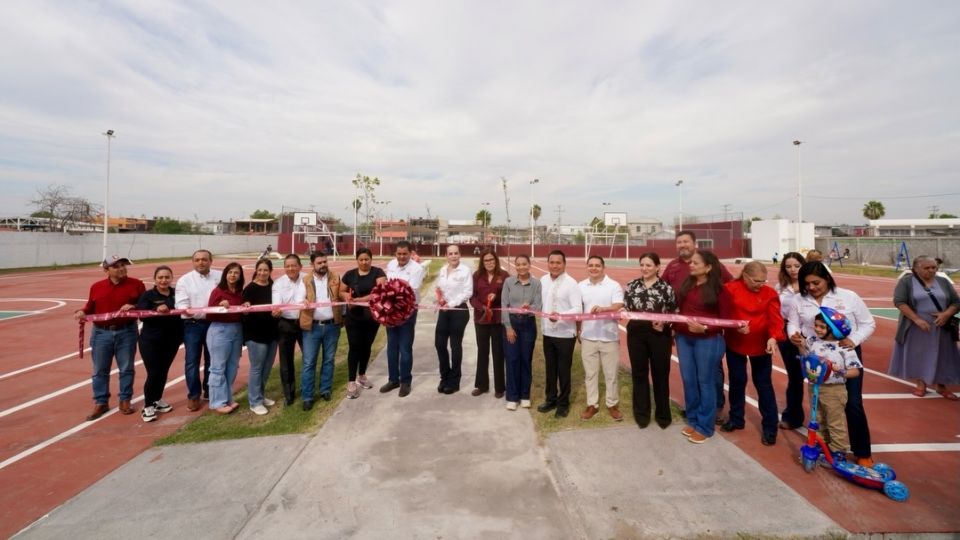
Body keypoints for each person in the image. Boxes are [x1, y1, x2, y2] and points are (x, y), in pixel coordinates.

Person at [787, 261, 876, 467]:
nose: (811, 288)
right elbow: (792, 323)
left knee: (852, 403)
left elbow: (868, 323)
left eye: (816, 282)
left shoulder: (848, 296)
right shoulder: (798, 300)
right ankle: (824, 444)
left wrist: (854, 340)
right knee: (820, 404)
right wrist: (794, 335)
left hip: (845, 353)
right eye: (806, 284)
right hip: (816, 357)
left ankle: (862, 452)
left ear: (827, 278)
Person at [661, 231, 734, 417]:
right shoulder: (673, 266)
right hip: (683, 333)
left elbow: (731, 285)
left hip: (707, 337)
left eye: (686, 241)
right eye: (679, 242)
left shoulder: (712, 267)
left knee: (709, 376)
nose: (682, 245)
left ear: (695, 244)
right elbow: (663, 291)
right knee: (690, 376)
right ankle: (694, 411)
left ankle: (714, 408)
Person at [74, 255, 146, 421]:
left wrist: (134, 306)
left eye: (123, 265)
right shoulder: (96, 287)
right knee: (100, 370)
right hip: (101, 333)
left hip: (127, 331)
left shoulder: (137, 284)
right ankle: (101, 402)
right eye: (117, 266)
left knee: (126, 368)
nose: (122, 269)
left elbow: (145, 305)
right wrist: (82, 312)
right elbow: (90, 307)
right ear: (106, 270)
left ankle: (125, 399)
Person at [721, 261, 784, 446]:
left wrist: (774, 337)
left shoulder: (770, 293)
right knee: (737, 381)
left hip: (761, 346)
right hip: (736, 343)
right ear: (745, 276)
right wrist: (735, 325)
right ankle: (736, 418)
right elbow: (723, 314)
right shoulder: (730, 289)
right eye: (756, 281)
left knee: (764, 385)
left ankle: (770, 427)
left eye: (763, 281)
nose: (760, 284)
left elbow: (776, 319)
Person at [675, 250, 732, 444]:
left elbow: (726, 320)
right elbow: (680, 311)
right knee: (689, 380)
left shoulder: (719, 289)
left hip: (708, 340)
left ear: (708, 267)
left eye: (696, 263)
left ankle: (705, 426)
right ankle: (693, 418)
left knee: (705, 382)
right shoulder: (687, 284)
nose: (691, 265)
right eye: (691, 262)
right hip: (684, 338)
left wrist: (705, 327)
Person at [888, 256, 960, 400]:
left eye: (934, 267)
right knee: (918, 354)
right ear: (916, 268)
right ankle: (921, 384)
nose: (931, 270)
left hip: (941, 328)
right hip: (916, 327)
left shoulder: (943, 281)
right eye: (927, 268)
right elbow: (899, 301)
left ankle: (942, 386)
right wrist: (917, 319)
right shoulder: (906, 282)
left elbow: (956, 302)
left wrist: (946, 314)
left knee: (943, 355)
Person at [622, 252, 677, 429]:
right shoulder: (632, 286)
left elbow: (674, 312)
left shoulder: (666, 288)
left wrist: (664, 322)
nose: (645, 268)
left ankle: (663, 415)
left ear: (657, 267)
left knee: (660, 374)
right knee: (639, 373)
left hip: (659, 335)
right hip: (636, 334)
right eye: (642, 265)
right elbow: (626, 308)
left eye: (649, 265)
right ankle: (642, 415)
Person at [806, 310, 863, 462]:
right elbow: (806, 356)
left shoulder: (844, 347)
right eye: (816, 326)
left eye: (822, 327)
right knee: (817, 418)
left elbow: (855, 372)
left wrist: (841, 371)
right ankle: (821, 444)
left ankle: (838, 450)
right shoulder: (814, 341)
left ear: (834, 330)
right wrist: (800, 345)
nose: (817, 329)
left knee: (834, 421)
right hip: (815, 387)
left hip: (834, 390)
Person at [577, 255, 625, 421]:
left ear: (603, 267)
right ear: (587, 267)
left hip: (609, 337)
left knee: (611, 374)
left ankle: (612, 404)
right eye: (591, 265)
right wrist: (578, 331)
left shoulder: (613, 285)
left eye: (597, 265)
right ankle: (592, 404)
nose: (594, 268)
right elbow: (578, 310)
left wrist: (603, 309)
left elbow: (618, 305)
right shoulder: (581, 286)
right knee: (590, 374)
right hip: (588, 337)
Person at [537, 250, 583, 418]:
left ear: (564, 264)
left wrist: (561, 316)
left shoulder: (571, 284)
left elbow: (578, 309)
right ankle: (551, 399)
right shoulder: (543, 280)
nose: (555, 265)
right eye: (552, 262)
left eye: (558, 262)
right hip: (548, 332)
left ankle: (563, 403)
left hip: (565, 334)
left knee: (563, 370)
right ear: (547, 263)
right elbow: (540, 303)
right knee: (550, 368)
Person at [175, 249, 221, 411]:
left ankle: (209, 390)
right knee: (192, 361)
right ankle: (194, 395)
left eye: (204, 259)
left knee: (212, 360)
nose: (200, 262)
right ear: (193, 261)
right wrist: (186, 309)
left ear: (211, 260)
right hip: (192, 325)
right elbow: (181, 303)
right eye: (197, 260)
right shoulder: (184, 280)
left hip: (214, 324)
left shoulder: (220, 276)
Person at [136, 265, 183, 422]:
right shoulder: (148, 295)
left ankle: (157, 399)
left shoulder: (177, 293)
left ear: (171, 278)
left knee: (163, 372)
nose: (164, 280)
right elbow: (142, 315)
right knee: (154, 372)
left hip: (172, 340)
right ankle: (147, 406)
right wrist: (157, 308)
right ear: (155, 279)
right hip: (151, 341)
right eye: (160, 277)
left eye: (167, 277)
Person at [340, 248, 387, 399]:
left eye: (367, 259)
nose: (364, 262)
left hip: (372, 318)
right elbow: (341, 291)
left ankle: (362, 376)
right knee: (354, 346)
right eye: (361, 259)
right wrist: (347, 296)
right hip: (353, 318)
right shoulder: (350, 274)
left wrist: (358, 300)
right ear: (357, 260)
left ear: (371, 259)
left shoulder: (378, 273)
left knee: (366, 346)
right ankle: (351, 381)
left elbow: (379, 292)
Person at [299, 251, 342, 410]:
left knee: (329, 360)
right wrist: (301, 300)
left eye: (325, 262)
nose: (323, 265)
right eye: (319, 263)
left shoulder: (336, 278)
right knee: (309, 362)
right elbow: (298, 298)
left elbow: (343, 294)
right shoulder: (304, 280)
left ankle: (325, 389)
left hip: (332, 325)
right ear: (312, 264)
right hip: (312, 327)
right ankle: (308, 396)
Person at [381, 241, 425, 397]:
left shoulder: (417, 269)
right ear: (395, 254)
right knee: (392, 347)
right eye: (399, 254)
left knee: (405, 347)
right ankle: (393, 379)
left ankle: (405, 381)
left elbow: (408, 290)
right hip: (391, 310)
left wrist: (390, 291)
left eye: (404, 254)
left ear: (410, 253)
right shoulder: (391, 265)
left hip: (408, 311)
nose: (401, 257)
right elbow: (387, 286)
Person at [501, 254, 542, 411]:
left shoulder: (536, 284)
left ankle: (525, 395)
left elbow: (538, 305)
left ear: (529, 265)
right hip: (511, 323)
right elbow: (504, 305)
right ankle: (512, 397)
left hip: (528, 324)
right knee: (512, 360)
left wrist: (529, 308)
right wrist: (508, 327)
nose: (521, 267)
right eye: (518, 264)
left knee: (526, 360)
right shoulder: (509, 282)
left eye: (524, 264)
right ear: (516, 266)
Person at [206, 262, 247, 415]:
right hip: (220, 329)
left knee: (232, 366)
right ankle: (217, 402)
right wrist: (220, 306)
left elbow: (241, 312)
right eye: (230, 272)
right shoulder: (217, 291)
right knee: (218, 368)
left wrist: (246, 306)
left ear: (240, 276)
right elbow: (208, 314)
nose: (233, 275)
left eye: (236, 273)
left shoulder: (239, 292)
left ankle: (227, 398)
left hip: (237, 329)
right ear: (225, 274)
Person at [470, 248, 509, 398]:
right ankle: (482, 385)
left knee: (498, 353)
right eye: (486, 260)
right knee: (482, 352)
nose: (489, 263)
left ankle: (500, 388)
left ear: (496, 260)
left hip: (498, 320)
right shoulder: (477, 275)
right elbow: (472, 297)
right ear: (482, 262)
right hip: (481, 320)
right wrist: (482, 307)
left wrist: (497, 296)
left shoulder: (504, 275)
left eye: (492, 260)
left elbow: (508, 295)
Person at [775, 252, 807, 430]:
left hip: (810, 333)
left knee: (818, 376)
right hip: (787, 333)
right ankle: (793, 416)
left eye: (796, 265)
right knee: (794, 377)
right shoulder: (780, 287)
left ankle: (825, 421)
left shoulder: (811, 284)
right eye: (788, 266)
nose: (793, 270)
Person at [435, 245, 473, 394]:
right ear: (446, 255)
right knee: (439, 344)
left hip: (459, 311)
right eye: (450, 254)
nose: (453, 256)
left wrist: (450, 303)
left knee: (455, 346)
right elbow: (440, 288)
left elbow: (468, 292)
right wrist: (440, 299)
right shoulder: (443, 270)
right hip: (444, 311)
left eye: (456, 253)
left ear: (460, 254)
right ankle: (444, 377)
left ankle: (454, 381)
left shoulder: (465, 270)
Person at [243, 258, 278, 415]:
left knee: (267, 367)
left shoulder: (274, 287)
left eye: (266, 270)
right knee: (257, 368)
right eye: (260, 270)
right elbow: (244, 310)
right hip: (256, 335)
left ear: (270, 271)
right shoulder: (249, 289)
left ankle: (260, 396)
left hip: (272, 333)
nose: (263, 273)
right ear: (256, 270)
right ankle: (254, 401)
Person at [272, 254, 305, 406]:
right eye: (287, 266)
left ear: (300, 266)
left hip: (305, 323)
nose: (291, 268)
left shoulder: (307, 279)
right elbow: (277, 304)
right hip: (285, 324)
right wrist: (277, 310)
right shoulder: (278, 284)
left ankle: (307, 389)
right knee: (286, 362)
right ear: (284, 267)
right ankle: (289, 395)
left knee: (309, 358)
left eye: (294, 265)